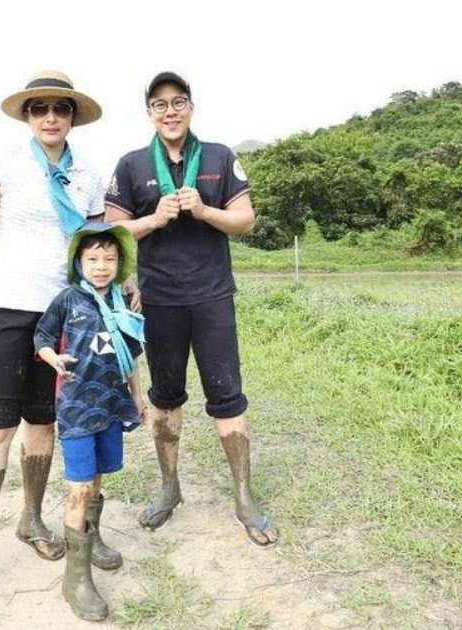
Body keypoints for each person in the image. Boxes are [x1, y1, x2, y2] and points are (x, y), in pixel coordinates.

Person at [0, 71, 129, 620]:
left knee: (44, 425)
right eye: (39, 109)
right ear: (27, 116)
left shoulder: (90, 174)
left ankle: (34, 519)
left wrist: (120, 290)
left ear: (71, 117)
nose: (49, 118)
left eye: (59, 110)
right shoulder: (4, 163)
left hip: (65, 313)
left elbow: (95, 248)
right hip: (5, 309)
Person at [104, 71, 278, 547]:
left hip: (212, 296)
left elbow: (245, 219)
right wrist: (155, 218)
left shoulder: (220, 157)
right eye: (159, 105)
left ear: (191, 107)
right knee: (165, 398)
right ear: (149, 113)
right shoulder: (132, 165)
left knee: (228, 395)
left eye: (177, 101)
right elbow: (113, 234)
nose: (170, 111)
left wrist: (204, 212)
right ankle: (169, 487)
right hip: (158, 300)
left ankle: (244, 496)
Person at [34, 223, 145, 622]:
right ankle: (75, 579)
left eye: (109, 259)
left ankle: (92, 538)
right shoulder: (67, 299)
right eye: (93, 259)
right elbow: (42, 337)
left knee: (98, 478)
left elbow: (131, 356)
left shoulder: (123, 302)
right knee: (79, 487)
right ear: (79, 262)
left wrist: (136, 396)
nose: (101, 266)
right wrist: (54, 360)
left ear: (120, 263)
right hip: (78, 408)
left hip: (111, 406)